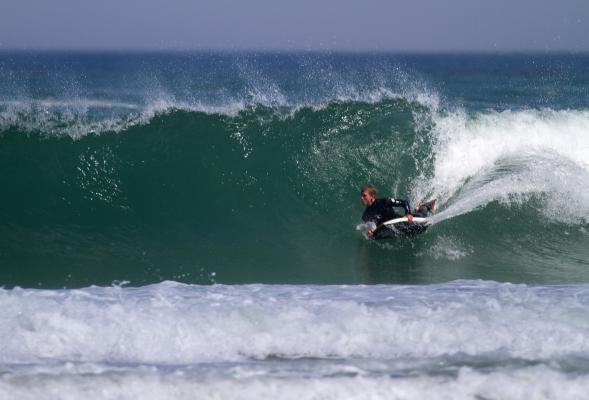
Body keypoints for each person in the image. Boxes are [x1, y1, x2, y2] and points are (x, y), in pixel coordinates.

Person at [360, 184, 434, 239]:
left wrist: (408, 214)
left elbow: (404, 203)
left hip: (399, 221)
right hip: (390, 229)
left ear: (372, 196)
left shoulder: (385, 201)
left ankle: (425, 206)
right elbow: (372, 227)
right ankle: (417, 209)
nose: (362, 198)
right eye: (361, 196)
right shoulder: (365, 216)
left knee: (421, 224)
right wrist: (370, 233)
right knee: (412, 232)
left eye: (364, 196)